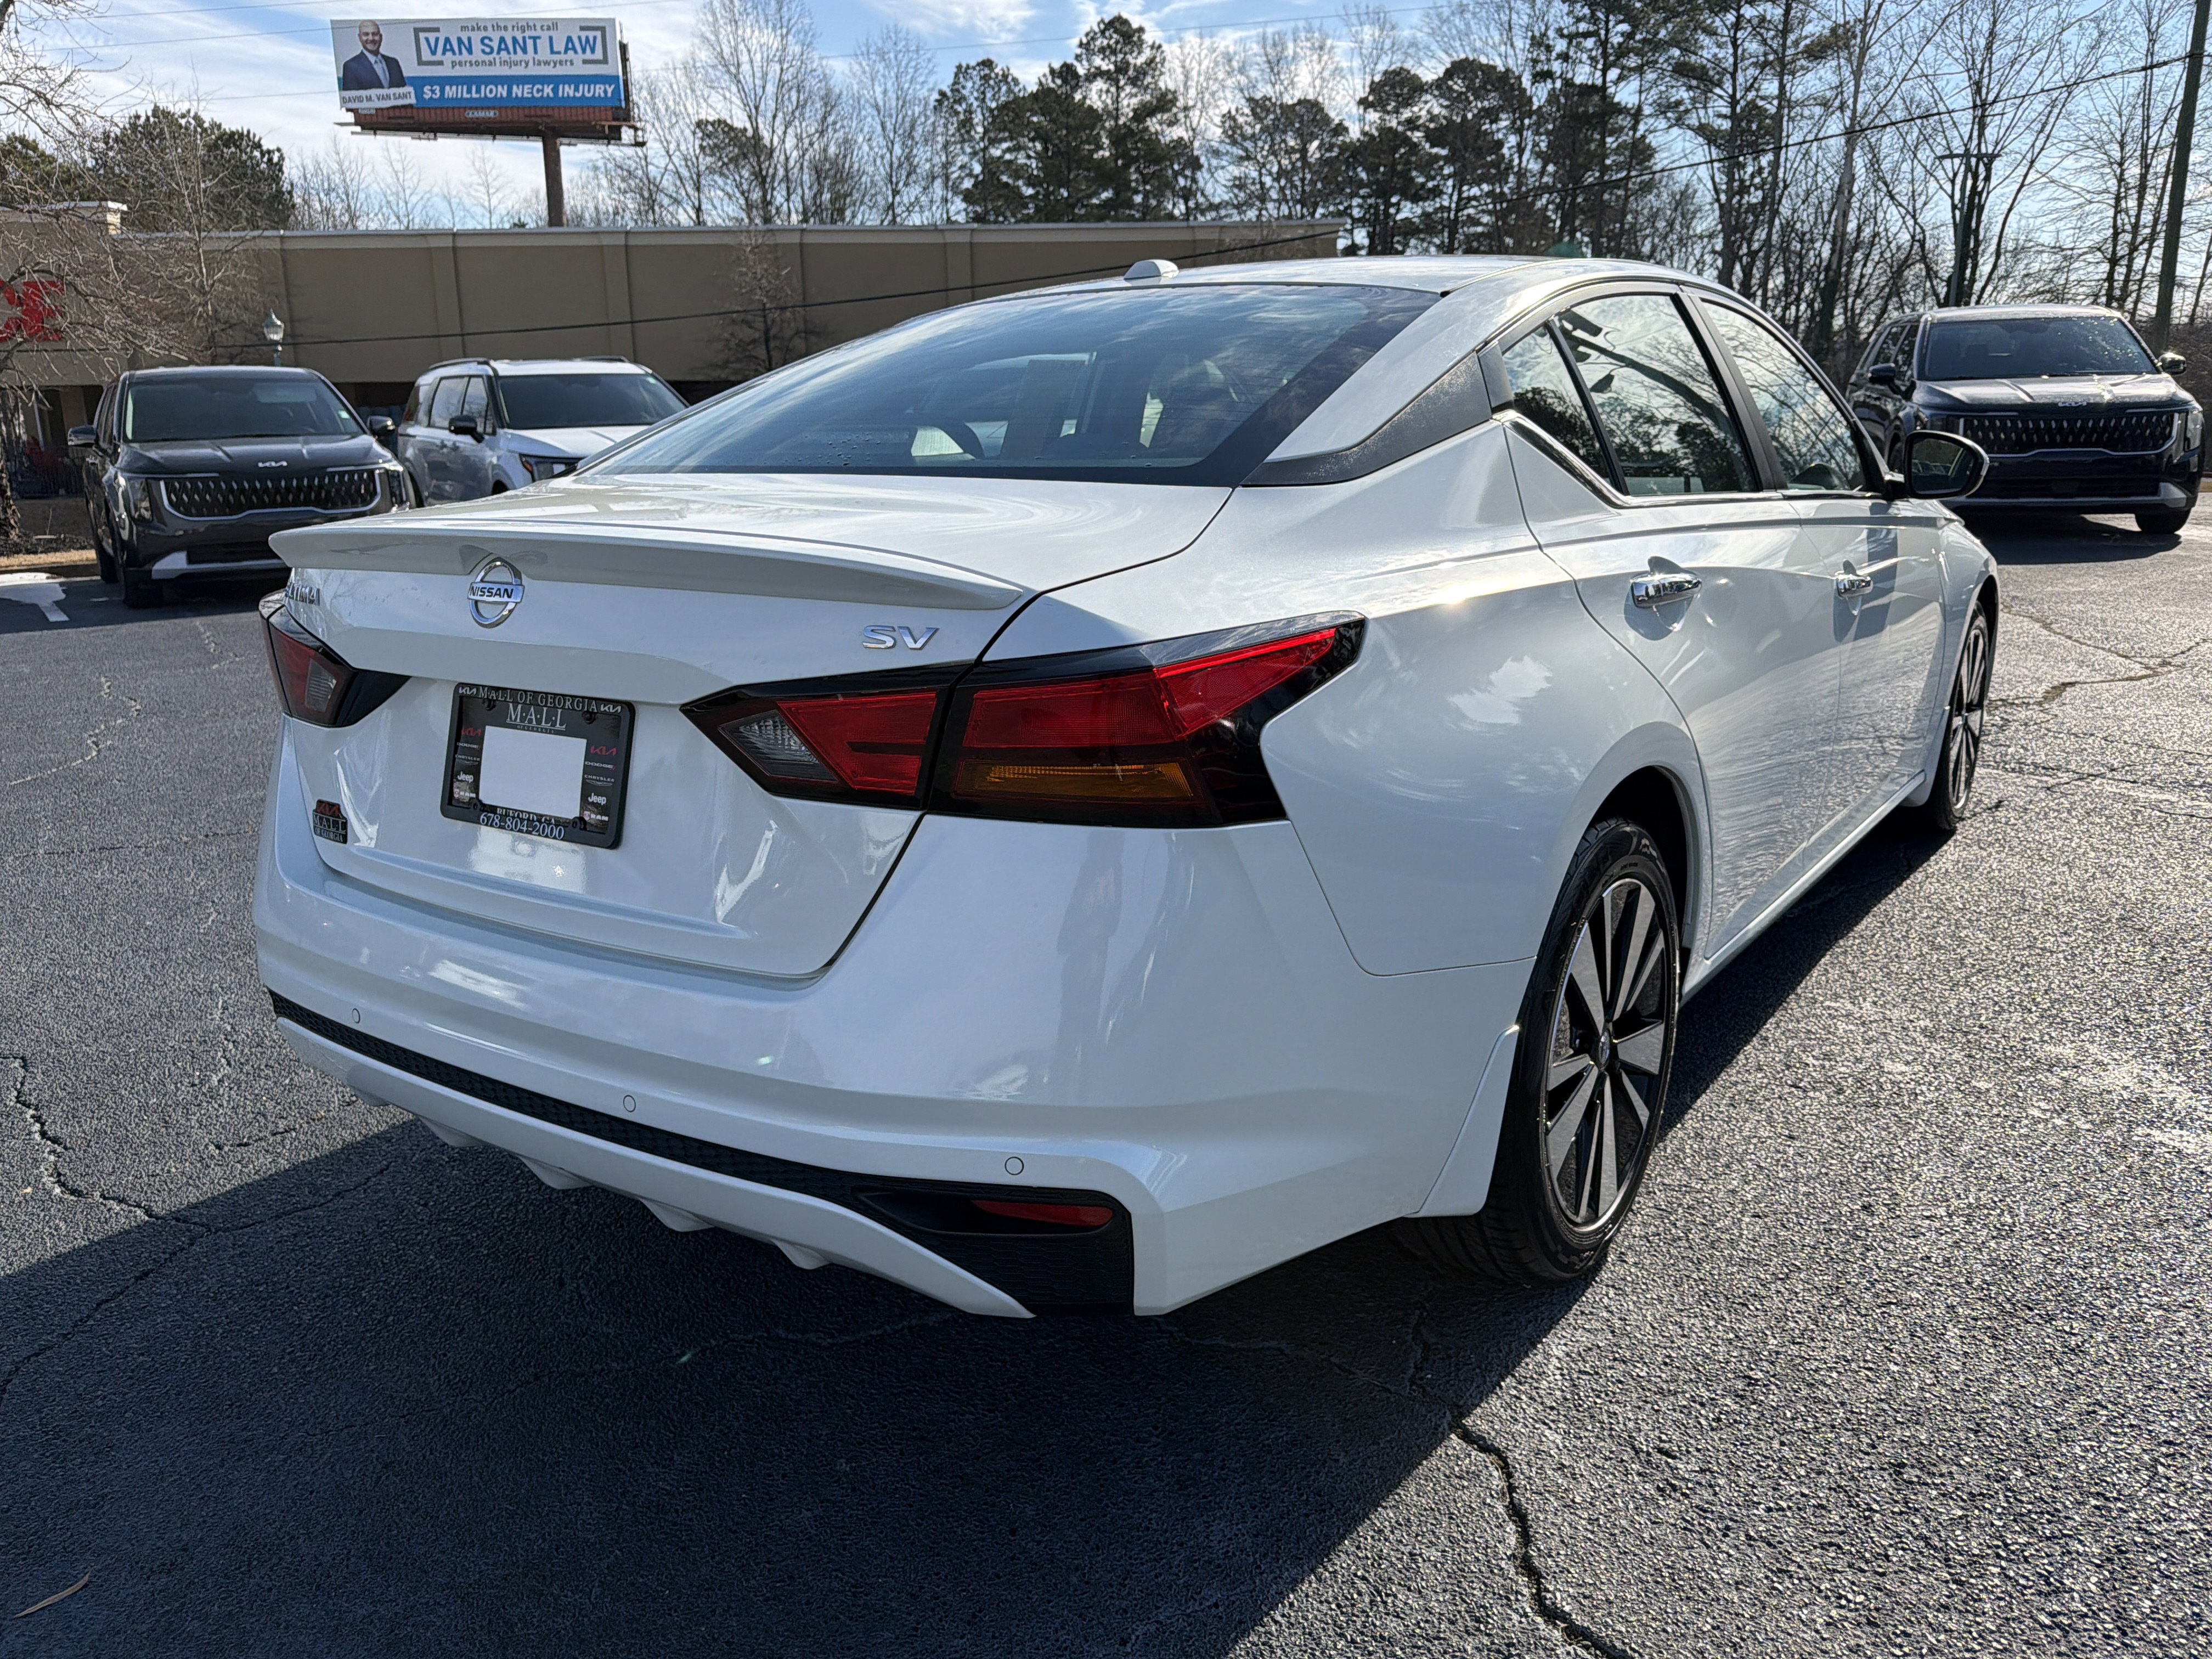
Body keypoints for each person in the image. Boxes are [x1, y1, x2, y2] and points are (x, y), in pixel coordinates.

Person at [339, 21, 407, 91]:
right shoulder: (351, 67)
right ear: (360, 37)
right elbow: (351, 100)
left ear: (381, 37)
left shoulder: (394, 63)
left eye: (375, 34)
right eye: (366, 34)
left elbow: (406, 97)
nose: (371, 38)